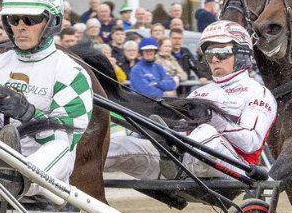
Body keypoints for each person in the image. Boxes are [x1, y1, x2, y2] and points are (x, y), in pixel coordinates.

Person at [0, 0, 93, 202]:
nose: (21, 26)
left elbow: (66, 137)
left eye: (31, 19)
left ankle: (15, 179)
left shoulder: (71, 73)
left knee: (60, 146)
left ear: (53, 22)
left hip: (44, 167)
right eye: (14, 19)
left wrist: (28, 114)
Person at [106, 20, 277, 180]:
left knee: (205, 131)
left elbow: (250, 143)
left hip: (235, 166)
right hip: (180, 160)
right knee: (120, 144)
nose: (215, 59)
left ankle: (173, 153)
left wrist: (211, 118)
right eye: (209, 54)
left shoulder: (258, 93)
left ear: (241, 54)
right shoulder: (198, 93)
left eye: (222, 53)